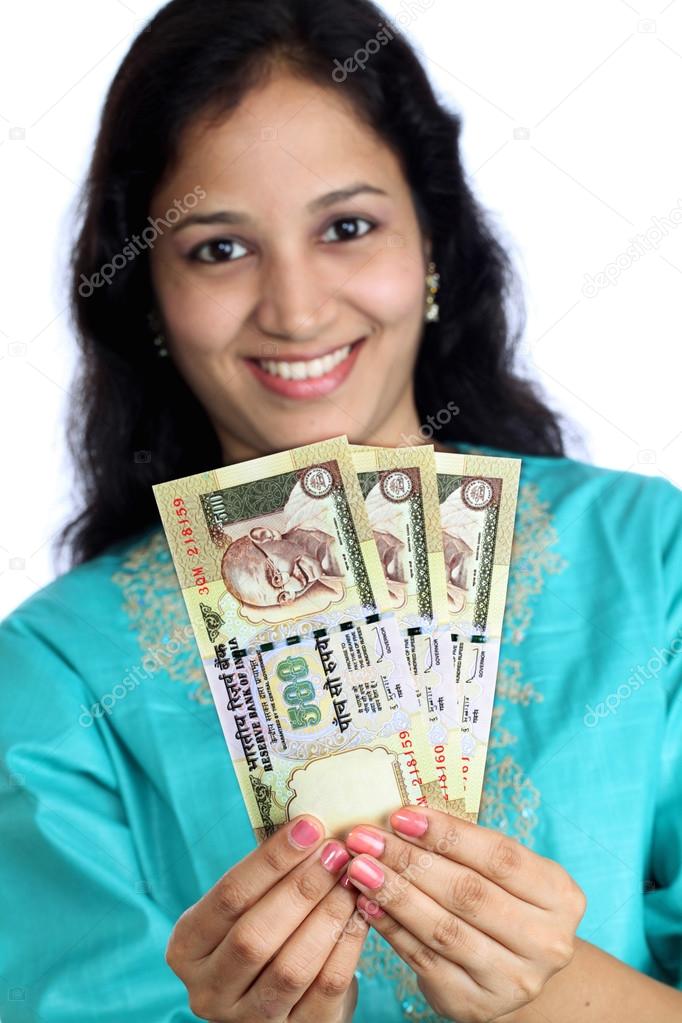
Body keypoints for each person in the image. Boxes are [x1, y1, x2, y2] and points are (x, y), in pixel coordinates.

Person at [1, 1, 681, 1021]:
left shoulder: (648, 557)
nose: (298, 308)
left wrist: (546, 992)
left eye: (347, 228)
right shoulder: (58, 672)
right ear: (148, 297)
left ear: (433, 244)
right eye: (219, 250)